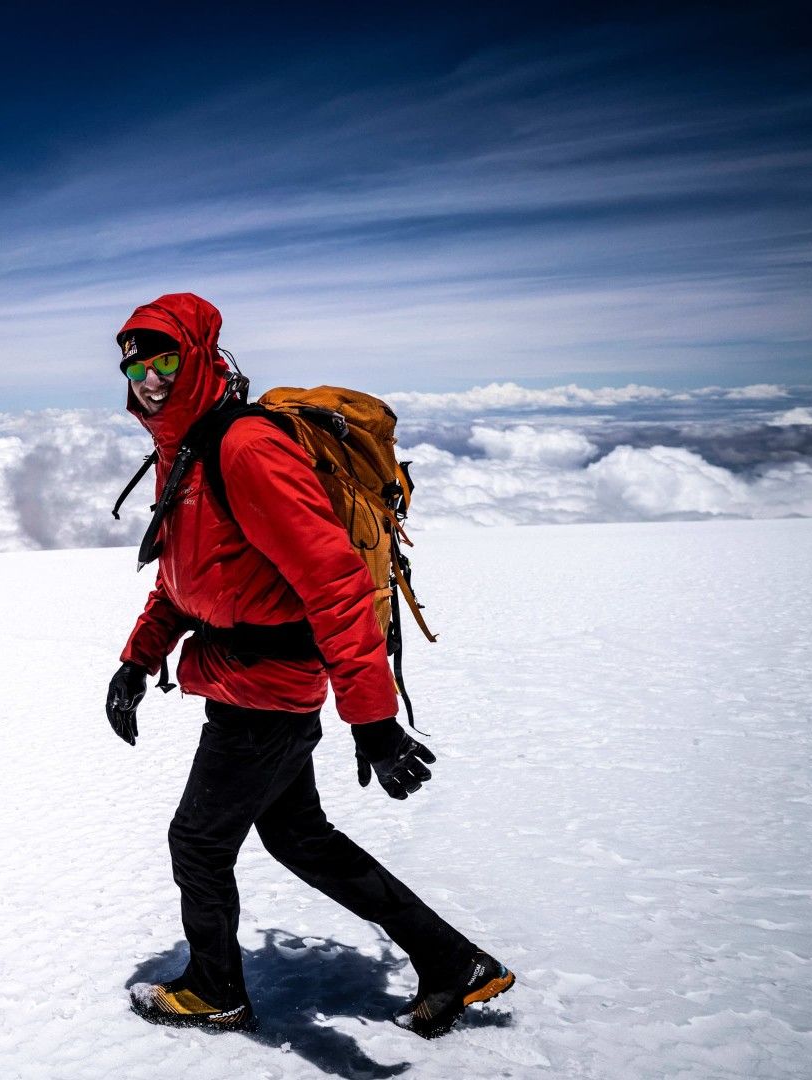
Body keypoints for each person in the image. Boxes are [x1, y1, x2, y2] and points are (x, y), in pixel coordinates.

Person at [104, 292, 513, 1039]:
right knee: (299, 836)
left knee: (198, 841)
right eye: (135, 366)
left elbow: (335, 582)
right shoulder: (187, 449)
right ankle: (453, 963)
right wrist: (137, 660)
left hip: (265, 689)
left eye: (164, 359)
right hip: (246, 678)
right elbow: (186, 578)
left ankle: (214, 992)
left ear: (199, 357)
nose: (149, 379)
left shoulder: (243, 449)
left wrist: (373, 721)